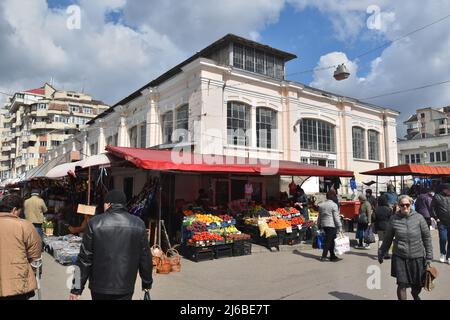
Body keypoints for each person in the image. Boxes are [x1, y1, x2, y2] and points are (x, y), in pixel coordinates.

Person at [69, 190, 153, 300]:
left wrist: (76, 289)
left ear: (108, 204)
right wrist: (147, 283)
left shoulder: (94, 223)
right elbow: (145, 257)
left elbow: (84, 259)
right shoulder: (138, 224)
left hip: (99, 287)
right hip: (125, 286)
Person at [378, 195, 433, 300]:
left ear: (411, 204)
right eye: (402, 205)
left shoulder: (419, 218)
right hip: (400, 256)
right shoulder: (394, 219)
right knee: (402, 285)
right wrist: (382, 252)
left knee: (417, 286)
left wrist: (429, 257)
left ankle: (415, 295)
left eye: (407, 204)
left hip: (417, 256)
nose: (405, 207)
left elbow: (427, 238)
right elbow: (388, 238)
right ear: (399, 206)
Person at [0, 194, 42, 300]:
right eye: (19, 211)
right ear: (14, 209)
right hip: (18, 281)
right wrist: (36, 274)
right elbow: (35, 256)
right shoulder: (25, 225)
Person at [317, 190, 343, 262]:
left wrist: (318, 224)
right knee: (328, 241)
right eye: (335, 196)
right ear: (333, 196)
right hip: (331, 225)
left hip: (324, 225)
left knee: (331, 240)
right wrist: (340, 226)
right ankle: (324, 256)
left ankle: (332, 256)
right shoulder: (334, 205)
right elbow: (336, 217)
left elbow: (319, 216)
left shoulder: (321, 205)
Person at [430, 183, 450, 264]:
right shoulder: (437, 197)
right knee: (443, 238)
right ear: (445, 189)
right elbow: (432, 208)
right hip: (442, 222)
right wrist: (436, 218)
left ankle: (449, 256)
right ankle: (443, 253)